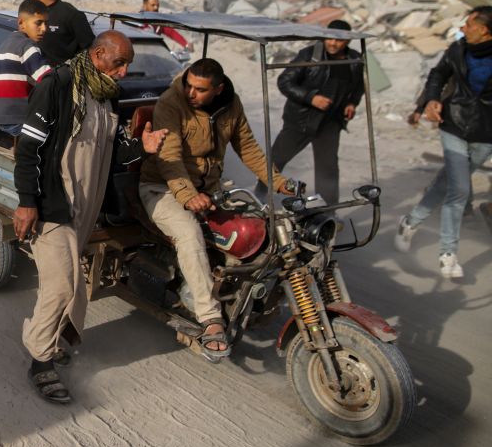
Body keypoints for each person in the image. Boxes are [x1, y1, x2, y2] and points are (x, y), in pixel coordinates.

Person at [13, 32, 167, 403]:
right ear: (98, 55)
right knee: (62, 285)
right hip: (54, 205)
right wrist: (27, 202)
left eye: (128, 64)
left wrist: (140, 150)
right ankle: (40, 360)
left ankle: (58, 339)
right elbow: (28, 146)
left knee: (71, 282)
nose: (125, 72)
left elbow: (110, 156)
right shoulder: (58, 85)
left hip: (86, 207)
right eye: (119, 63)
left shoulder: (105, 96)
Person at [139, 58, 290, 362]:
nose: (191, 93)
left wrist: (279, 182)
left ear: (218, 89)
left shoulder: (230, 105)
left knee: (257, 224)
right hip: (163, 187)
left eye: (200, 89)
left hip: (209, 189)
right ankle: (211, 319)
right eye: (189, 85)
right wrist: (188, 195)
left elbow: (247, 148)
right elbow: (169, 158)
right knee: (190, 233)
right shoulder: (172, 103)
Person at [396, 6, 492, 279]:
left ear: (485, 30)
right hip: (454, 124)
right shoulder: (458, 49)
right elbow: (437, 75)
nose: (463, 28)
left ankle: (410, 221)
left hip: (486, 133)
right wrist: (432, 99)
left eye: (469, 25)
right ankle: (448, 254)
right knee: (459, 190)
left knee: (447, 182)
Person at [265, 20, 364, 204]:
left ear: (347, 41)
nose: (333, 43)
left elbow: (358, 87)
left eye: (339, 40)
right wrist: (311, 98)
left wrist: (352, 103)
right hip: (301, 121)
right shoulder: (310, 55)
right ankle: (259, 199)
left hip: (330, 123)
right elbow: (284, 81)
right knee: (276, 161)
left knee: (328, 170)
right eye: (330, 38)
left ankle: (326, 211)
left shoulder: (354, 60)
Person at [0, 0, 52, 135]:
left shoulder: (2, 46)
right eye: (38, 23)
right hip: (20, 118)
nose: (44, 29)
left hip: (1, 118)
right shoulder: (27, 46)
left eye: (46, 23)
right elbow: (48, 80)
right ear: (21, 23)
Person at [28, 0, 95, 67]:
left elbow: (91, 50)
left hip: (64, 78)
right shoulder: (30, 14)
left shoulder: (71, 15)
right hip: (36, 77)